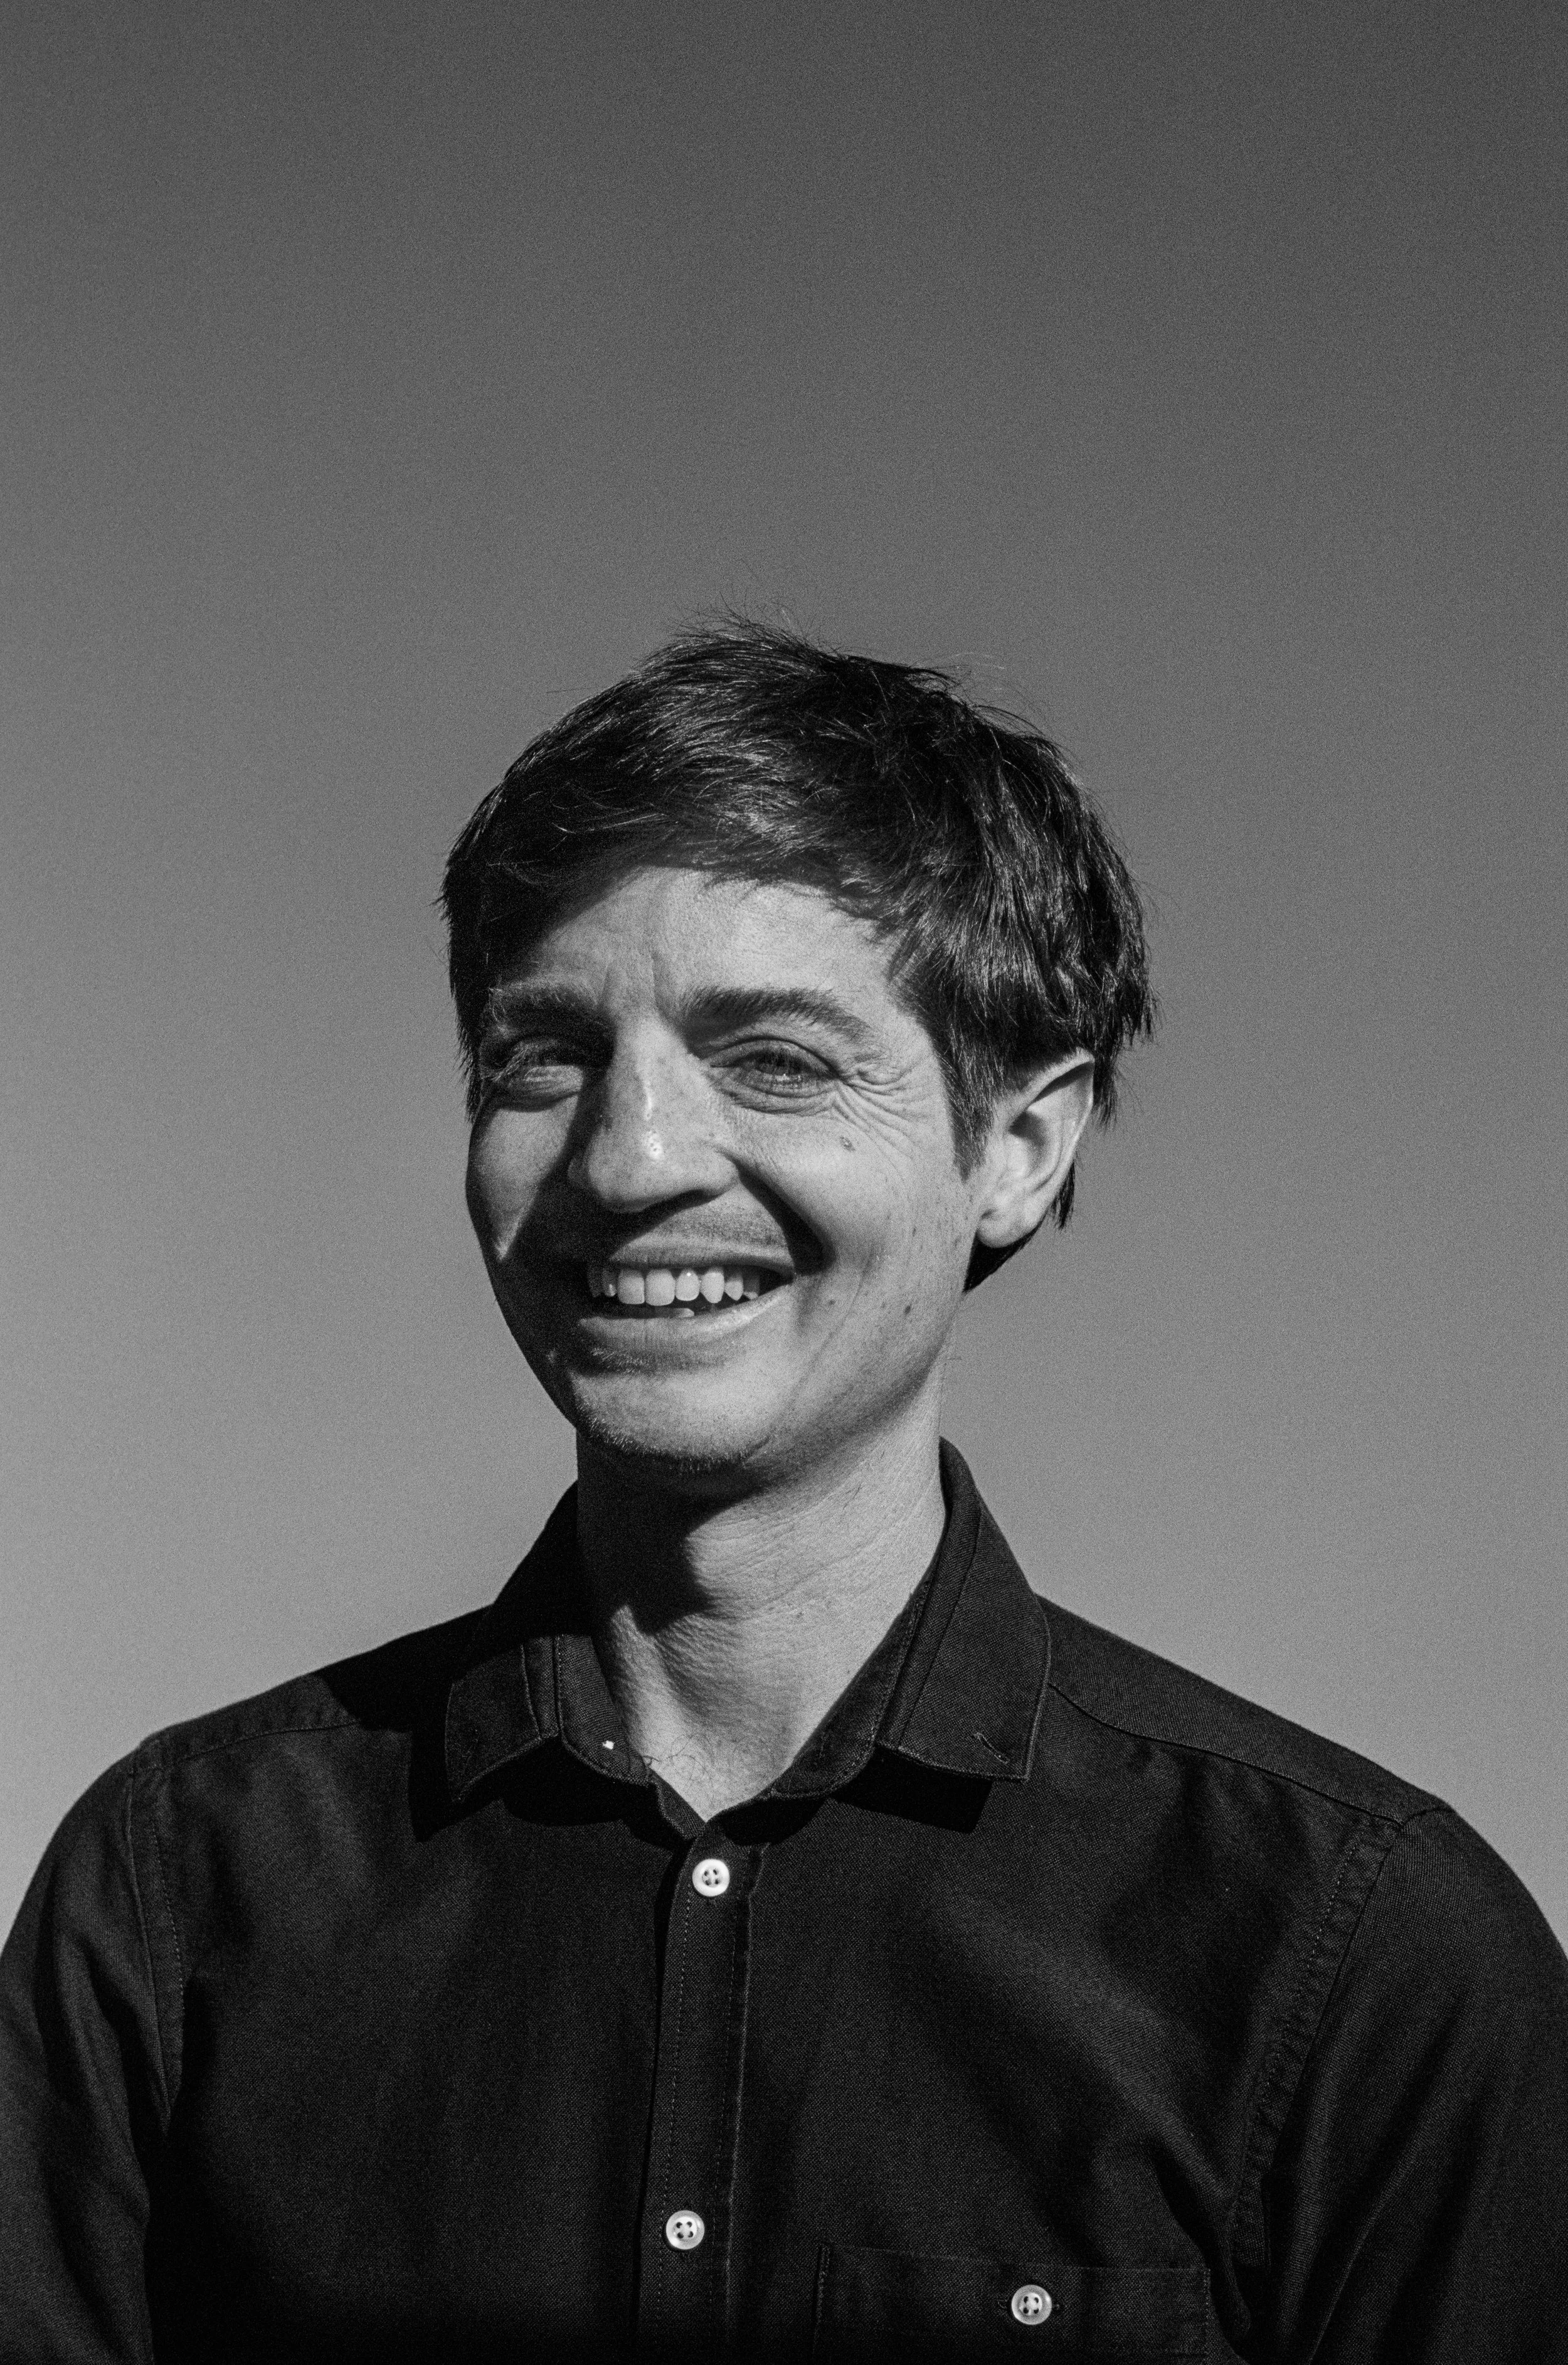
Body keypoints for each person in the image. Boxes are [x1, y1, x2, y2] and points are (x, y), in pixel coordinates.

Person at [3, 622, 1565, 2364]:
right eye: (545, 1057)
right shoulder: (177, 1897)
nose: (631, 1156)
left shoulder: (1353, 1957)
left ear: (1017, 1148)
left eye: (775, 1058)